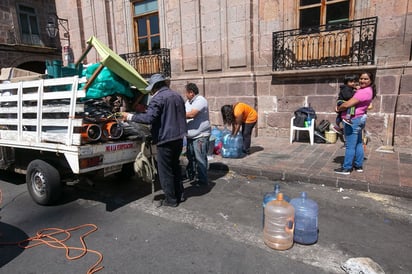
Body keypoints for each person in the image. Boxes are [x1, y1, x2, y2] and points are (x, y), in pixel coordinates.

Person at [121, 74, 187, 207]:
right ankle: (179, 194)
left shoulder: (158, 98)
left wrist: (129, 116)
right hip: (179, 137)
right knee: (175, 167)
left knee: (165, 171)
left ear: (155, 87)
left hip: (165, 139)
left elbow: (149, 118)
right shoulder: (177, 96)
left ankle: (171, 200)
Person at [334, 71, 376, 175]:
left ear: (371, 80)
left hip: (353, 120)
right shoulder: (367, 90)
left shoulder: (363, 92)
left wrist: (338, 108)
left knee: (350, 145)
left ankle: (347, 168)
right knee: (358, 143)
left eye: (366, 79)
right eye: (361, 78)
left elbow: (347, 104)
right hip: (359, 118)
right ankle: (358, 165)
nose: (362, 80)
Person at [184, 83, 211, 187]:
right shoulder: (188, 102)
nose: (185, 95)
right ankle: (192, 176)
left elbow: (191, 114)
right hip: (191, 136)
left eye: (186, 92)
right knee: (191, 157)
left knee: (200, 159)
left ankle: (203, 181)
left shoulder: (201, 100)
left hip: (200, 136)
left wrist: (176, 114)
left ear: (191, 92)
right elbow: (185, 111)